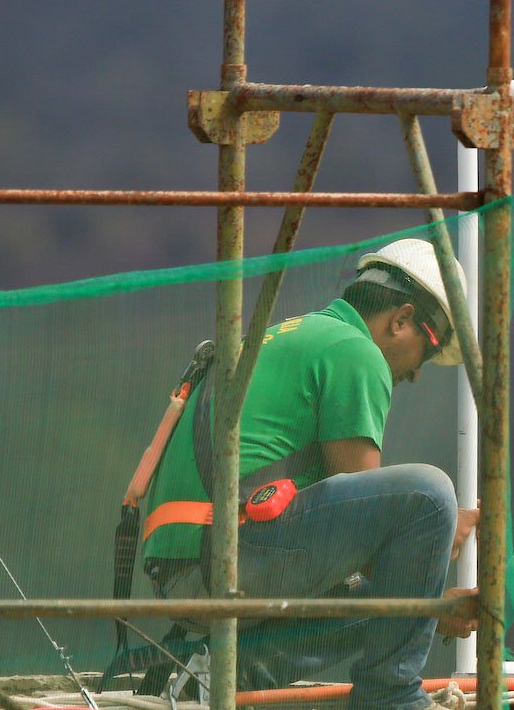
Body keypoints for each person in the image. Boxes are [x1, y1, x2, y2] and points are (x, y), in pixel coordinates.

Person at [141, 238, 480, 710]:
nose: (418, 373)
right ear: (401, 320)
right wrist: (440, 539)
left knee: (386, 589)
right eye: (428, 351)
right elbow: (378, 544)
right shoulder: (355, 352)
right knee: (428, 494)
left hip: (186, 563)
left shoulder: (295, 336)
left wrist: (427, 604)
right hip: (221, 553)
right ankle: (393, 698)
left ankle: (215, 673)